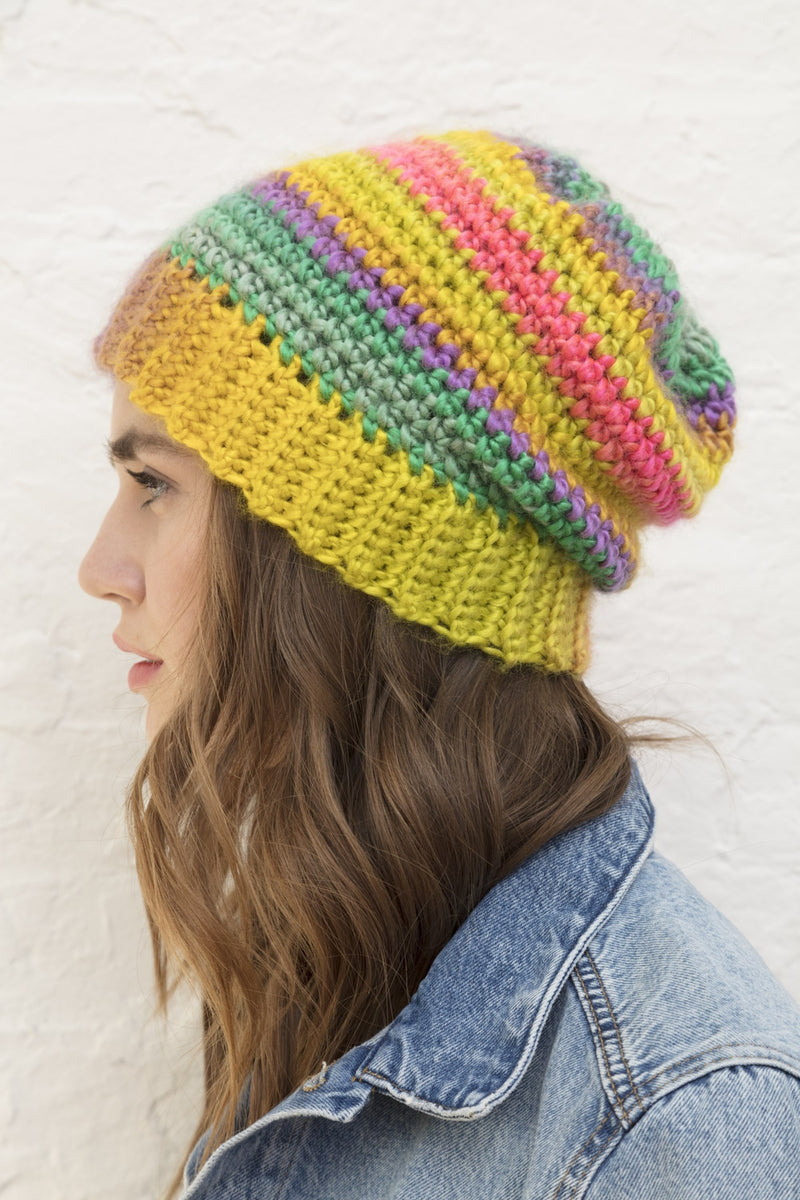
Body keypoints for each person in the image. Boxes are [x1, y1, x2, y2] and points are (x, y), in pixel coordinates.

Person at [79, 130, 800, 1199]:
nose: (100, 569)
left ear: (351, 555)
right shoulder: (346, 944)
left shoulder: (678, 1117)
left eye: (154, 485)